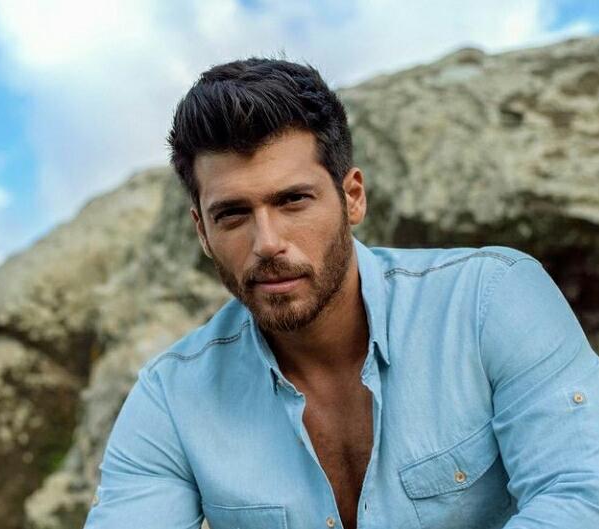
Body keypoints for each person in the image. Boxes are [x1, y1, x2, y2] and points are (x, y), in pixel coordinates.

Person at [83, 58, 599, 529]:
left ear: (352, 197)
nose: (267, 243)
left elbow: (581, 497)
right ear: (201, 231)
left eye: (293, 200)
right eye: (233, 214)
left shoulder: (491, 300)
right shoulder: (173, 397)